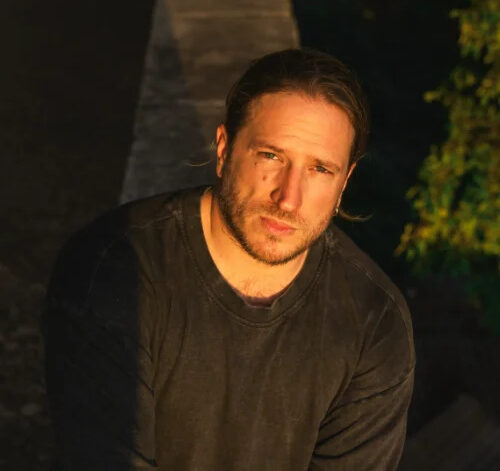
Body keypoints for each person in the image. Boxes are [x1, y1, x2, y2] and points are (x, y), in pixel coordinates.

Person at [43, 48, 415, 471]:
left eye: (319, 170)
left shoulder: (373, 322)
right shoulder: (114, 271)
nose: (288, 198)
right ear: (224, 149)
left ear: (344, 182)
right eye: (271, 156)